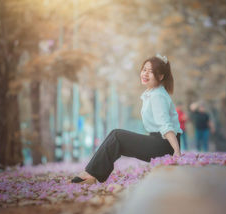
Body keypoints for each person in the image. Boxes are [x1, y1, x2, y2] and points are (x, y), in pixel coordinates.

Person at [71, 53, 183, 184]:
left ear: (160, 76)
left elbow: (165, 125)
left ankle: (91, 174)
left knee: (117, 136)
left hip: (164, 145)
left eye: (151, 71)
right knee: (116, 135)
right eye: (144, 69)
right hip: (159, 142)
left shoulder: (157, 96)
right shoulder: (152, 93)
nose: (145, 74)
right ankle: (92, 174)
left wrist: (176, 150)